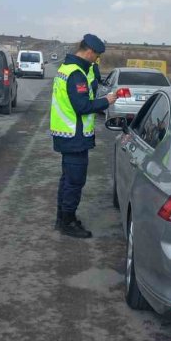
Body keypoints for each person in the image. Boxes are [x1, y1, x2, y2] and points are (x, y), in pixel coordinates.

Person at [51, 34, 117, 238]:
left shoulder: (67, 68)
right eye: (96, 56)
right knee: (75, 181)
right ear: (89, 52)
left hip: (67, 135)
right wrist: (107, 100)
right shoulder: (76, 73)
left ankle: (62, 218)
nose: (96, 60)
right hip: (74, 137)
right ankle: (67, 223)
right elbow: (82, 106)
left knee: (67, 180)